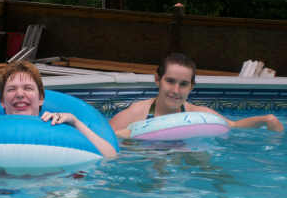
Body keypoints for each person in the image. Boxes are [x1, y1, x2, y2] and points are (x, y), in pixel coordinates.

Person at [110, 53, 284, 138]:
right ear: (157, 80)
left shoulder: (197, 114)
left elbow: (234, 125)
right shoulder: (135, 114)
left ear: (191, 87)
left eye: (183, 84)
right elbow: (103, 139)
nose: (176, 91)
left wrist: (266, 119)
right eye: (170, 81)